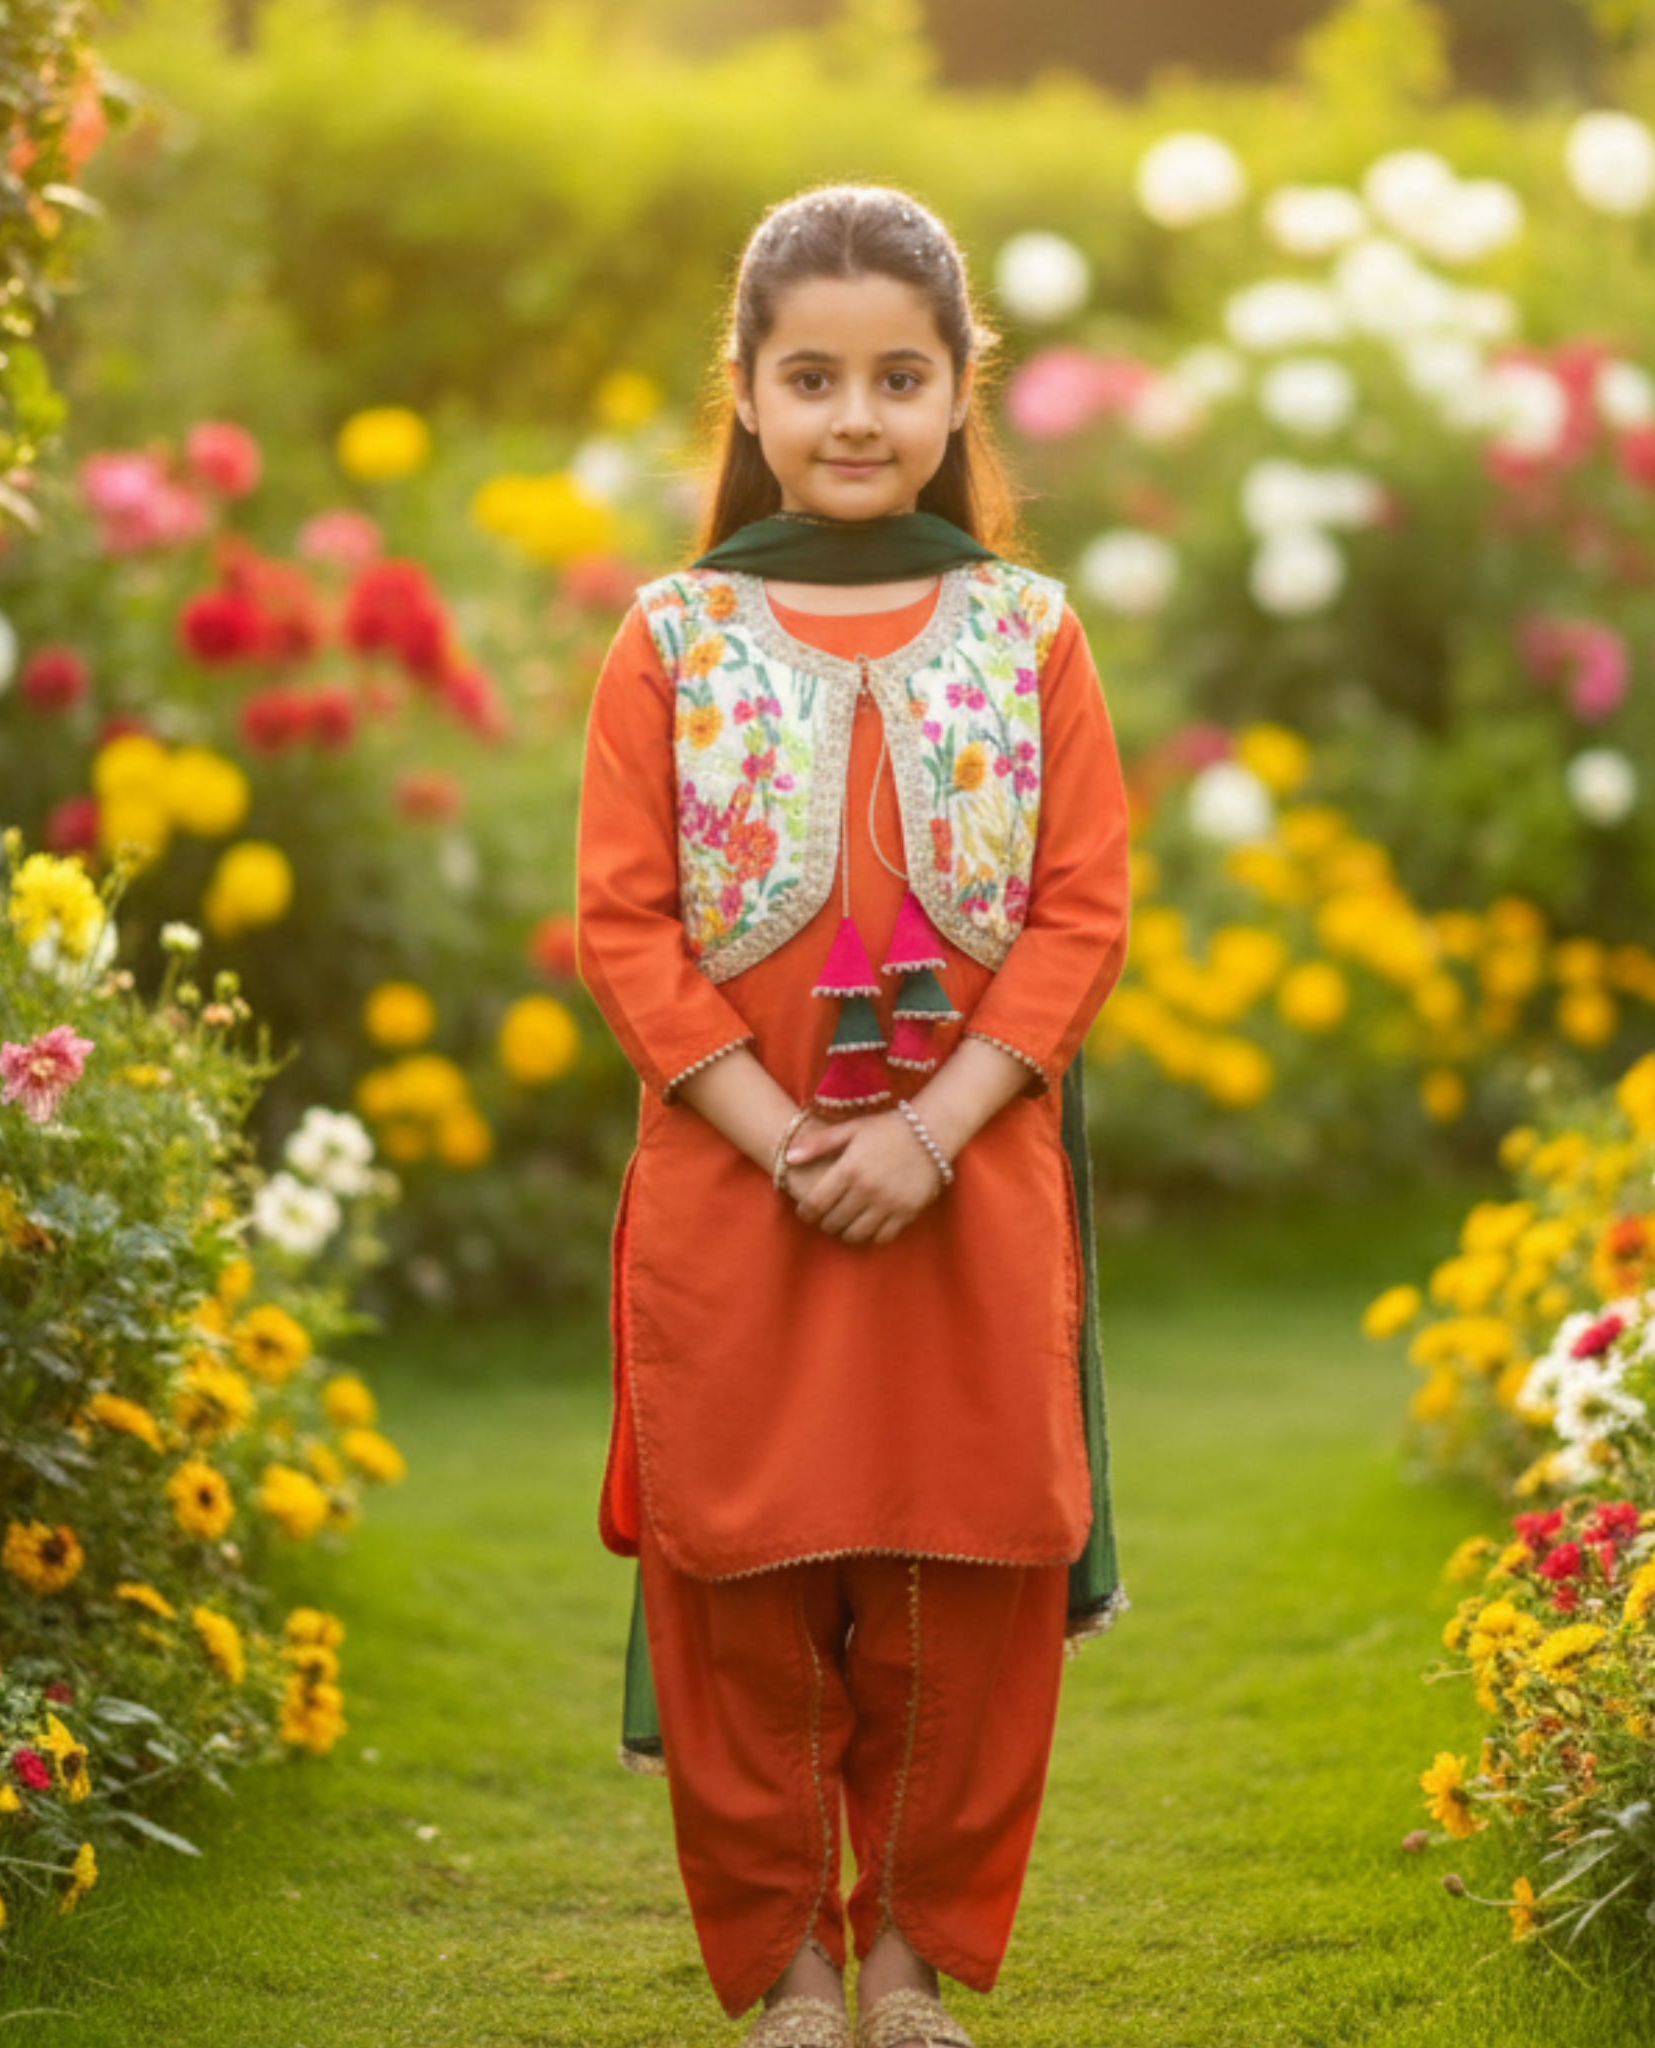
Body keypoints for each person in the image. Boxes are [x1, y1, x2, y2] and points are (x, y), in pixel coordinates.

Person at [574, 182, 1132, 2048]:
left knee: (960, 1575)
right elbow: (627, 928)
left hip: (966, 1186)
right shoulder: (671, 634)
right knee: (743, 1581)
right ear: (741, 387)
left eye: (901, 376)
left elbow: (1078, 915)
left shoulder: (1031, 632)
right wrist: (790, 1141)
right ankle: (788, 1974)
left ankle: (907, 1965)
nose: (856, 417)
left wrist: (929, 1133)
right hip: (741, 1191)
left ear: (967, 390)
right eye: (811, 378)